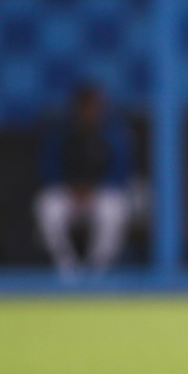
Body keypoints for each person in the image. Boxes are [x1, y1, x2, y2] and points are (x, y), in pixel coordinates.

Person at [34, 83, 134, 277]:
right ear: (76, 108)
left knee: (115, 208)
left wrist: (95, 188)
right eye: (85, 106)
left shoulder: (113, 133)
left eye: (95, 107)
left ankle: (97, 270)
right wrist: (70, 187)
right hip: (67, 193)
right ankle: (68, 270)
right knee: (47, 205)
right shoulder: (60, 131)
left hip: (100, 193)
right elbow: (48, 167)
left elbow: (121, 170)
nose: (90, 112)